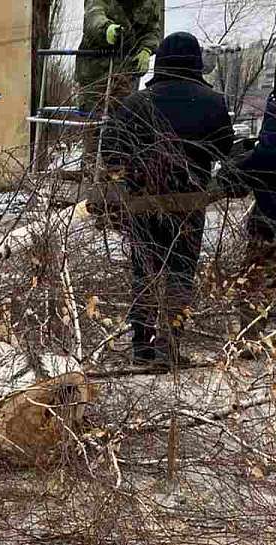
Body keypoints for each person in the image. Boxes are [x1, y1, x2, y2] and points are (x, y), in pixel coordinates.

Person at [103, 32, 235, 365]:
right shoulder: (213, 101)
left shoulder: (134, 104)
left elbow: (110, 153)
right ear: (196, 62)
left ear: (159, 60)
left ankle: (141, 346)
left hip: (142, 205)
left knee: (143, 271)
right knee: (180, 273)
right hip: (188, 207)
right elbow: (222, 150)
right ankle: (170, 344)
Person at [76, 0, 163, 171]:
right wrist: (106, 29)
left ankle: (117, 172)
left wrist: (146, 50)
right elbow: (94, 16)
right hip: (94, 71)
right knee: (95, 126)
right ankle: (90, 171)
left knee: (122, 124)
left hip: (126, 72)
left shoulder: (150, 3)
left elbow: (152, 31)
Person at [224, 88, 276, 347]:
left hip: (270, 214)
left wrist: (237, 168)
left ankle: (250, 340)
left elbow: (268, 154)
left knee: (257, 279)